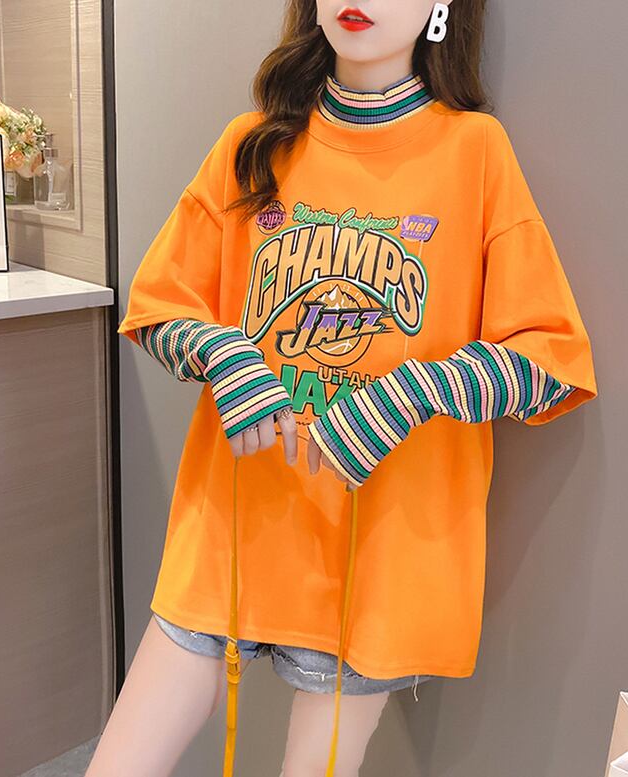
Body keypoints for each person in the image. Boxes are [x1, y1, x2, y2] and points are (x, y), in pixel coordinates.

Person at [89, 1, 598, 775]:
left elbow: (551, 357)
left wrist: (412, 392)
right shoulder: (250, 144)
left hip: (379, 556)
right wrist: (222, 353)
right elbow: (156, 304)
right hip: (231, 525)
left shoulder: (474, 152)